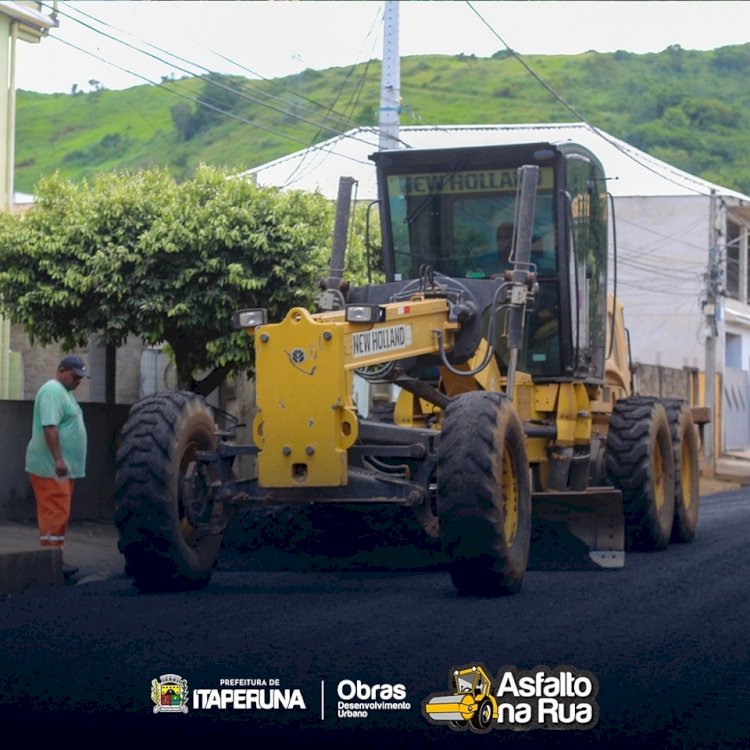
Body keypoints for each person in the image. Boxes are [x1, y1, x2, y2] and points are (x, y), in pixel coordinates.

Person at [25, 355, 90, 578]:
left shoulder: (65, 392)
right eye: (75, 376)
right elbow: (50, 427)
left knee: (59, 513)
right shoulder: (52, 391)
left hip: (60, 468)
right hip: (51, 467)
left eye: (81, 377)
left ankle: (55, 560)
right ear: (61, 370)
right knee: (55, 513)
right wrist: (59, 460)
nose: (78, 381)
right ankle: (51, 563)